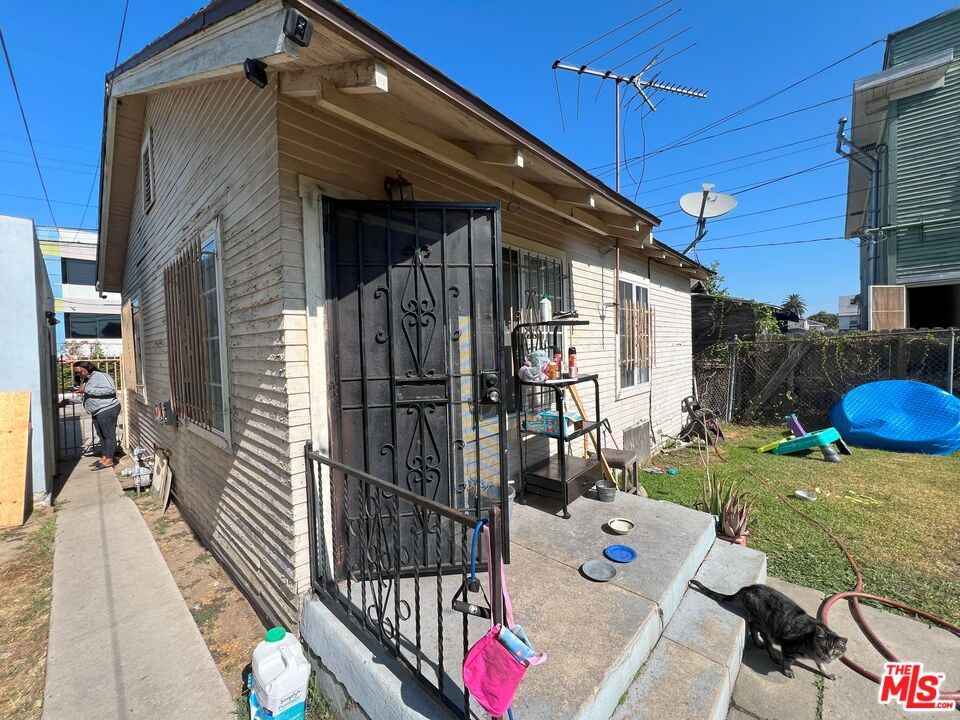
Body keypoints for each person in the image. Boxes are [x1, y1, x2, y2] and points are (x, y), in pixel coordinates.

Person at [69, 361, 121, 470]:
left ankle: (110, 460)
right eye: (76, 374)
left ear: (87, 368)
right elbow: (88, 396)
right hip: (97, 411)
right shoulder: (88, 380)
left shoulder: (100, 376)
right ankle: (104, 457)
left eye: (79, 372)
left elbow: (110, 390)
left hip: (107, 408)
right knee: (101, 435)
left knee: (108, 435)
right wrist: (69, 400)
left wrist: (86, 389)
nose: (79, 375)